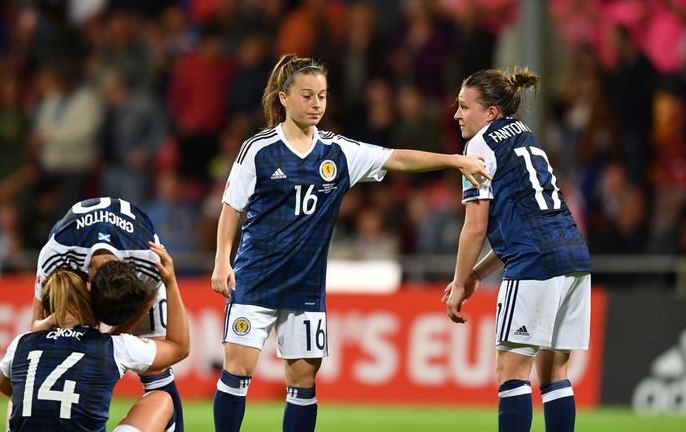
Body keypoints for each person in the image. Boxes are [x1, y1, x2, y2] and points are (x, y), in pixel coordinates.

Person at [210, 54, 490, 432]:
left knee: (304, 383)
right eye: (307, 96)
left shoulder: (338, 152)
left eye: (322, 96)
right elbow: (231, 208)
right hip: (254, 280)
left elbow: (398, 159)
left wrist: (455, 161)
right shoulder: (259, 150)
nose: (316, 104)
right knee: (238, 371)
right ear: (283, 99)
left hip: (305, 287)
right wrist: (222, 262)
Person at [442, 68, 591, 432]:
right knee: (555, 373)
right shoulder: (525, 135)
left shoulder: (478, 146)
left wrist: (460, 281)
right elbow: (521, 226)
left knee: (511, 372)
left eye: (464, 107)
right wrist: (478, 273)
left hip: (535, 265)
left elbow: (476, 226)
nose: (457, 115)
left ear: (490, 113)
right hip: (573, 256)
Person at [0, 242, 189, 431]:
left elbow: (4, 385)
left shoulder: (20, 344)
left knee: (17, 398)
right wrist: (170, 282)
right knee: (161, 399)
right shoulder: (115, 348)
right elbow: (179, 348)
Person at [31, 197, 186, 431]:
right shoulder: (57, 253)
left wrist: (107, 341)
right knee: (54, 350)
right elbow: (35, 330)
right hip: (74, 258)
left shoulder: (149, 260)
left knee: (157, 369)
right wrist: (59, 325)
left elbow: (145, 303)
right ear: (89, 287)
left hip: (133, 260)